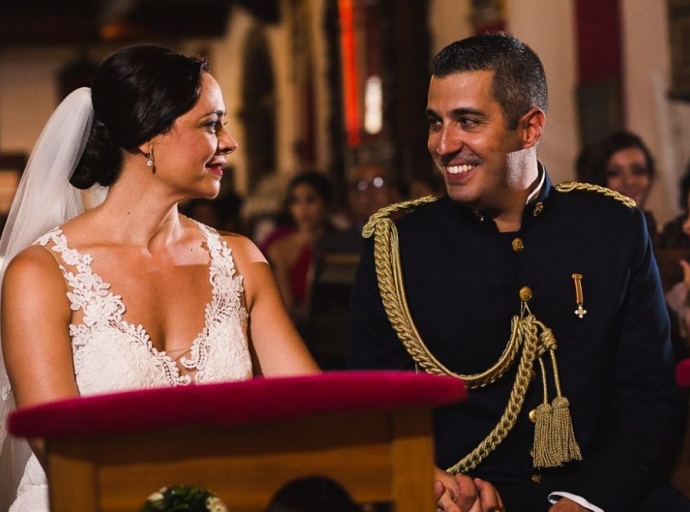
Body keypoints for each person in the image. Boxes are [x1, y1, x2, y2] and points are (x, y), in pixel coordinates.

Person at [348, 33, 683, 512]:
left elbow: (649, 397)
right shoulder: (397, 245)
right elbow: (376, 409)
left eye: (468, 121)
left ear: (529, 129)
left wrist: (583, 501)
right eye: (435, 123)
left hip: (598, 492)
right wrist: (438, 485)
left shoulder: (613, 227)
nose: (444, 145)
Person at [0, 44, 319, 511]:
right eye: (211, 124)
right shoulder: (42, 273)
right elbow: (61, 450)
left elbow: (315, 409)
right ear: (149, 136)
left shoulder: (240, 260)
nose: (229, 141)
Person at [264, 170, 335, 324]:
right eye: (295, 201)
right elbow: (284, 308)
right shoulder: (280, 248)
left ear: (325, 203)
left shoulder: (341, 243)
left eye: (310, 200)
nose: (303, 208)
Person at [576, 130, 660, 246]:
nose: (629, 181)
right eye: (614, 173)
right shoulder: (581, 238)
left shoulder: (655, 233)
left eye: (638, 171)